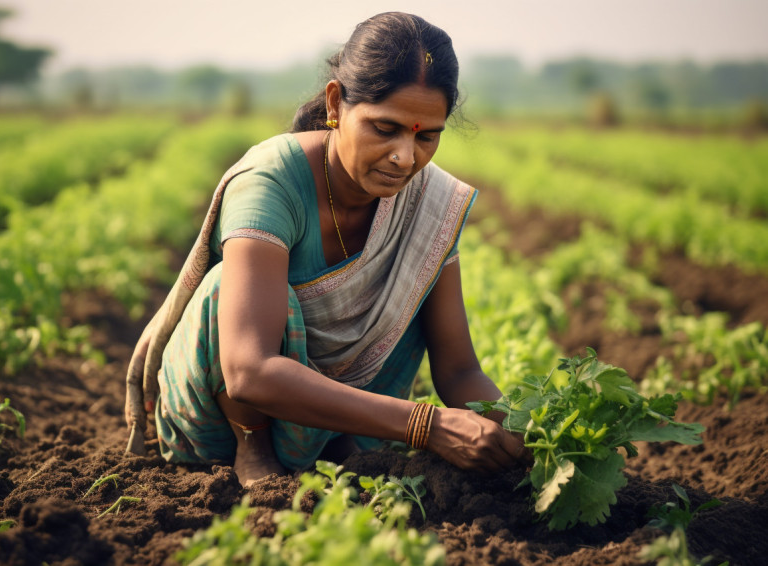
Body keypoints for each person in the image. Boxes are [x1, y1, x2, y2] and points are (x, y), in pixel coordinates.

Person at [124, 11, 526, 487]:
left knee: (419, 274)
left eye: (427, 136)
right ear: (336, 103)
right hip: (222, 428)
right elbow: (248, 371)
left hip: (362, 425)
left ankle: (338, 441)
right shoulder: (272, 182)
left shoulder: (429, 206)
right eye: (385, 128)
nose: (405, 156)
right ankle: (253, 447)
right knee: (221, 290)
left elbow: (459, 370)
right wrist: (427, 425)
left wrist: (526, 435)